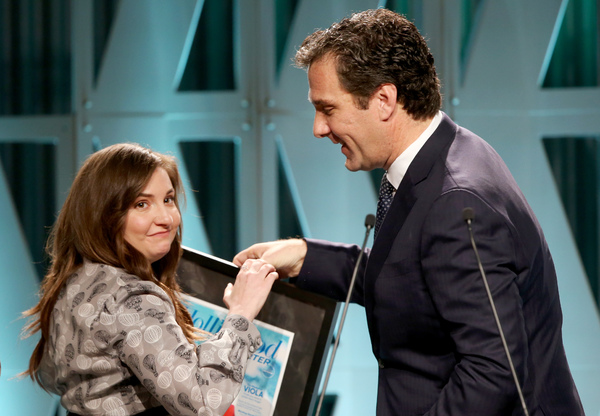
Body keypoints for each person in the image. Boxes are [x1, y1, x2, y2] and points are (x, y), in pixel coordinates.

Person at [233, 8, 585, 416]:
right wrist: (304, 255)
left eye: (327, 109)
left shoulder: (454, 201)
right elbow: (413, 277)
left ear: (384, 100)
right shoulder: (447, 151)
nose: (319, 128)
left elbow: (494, 371)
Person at [22, 143, 278, 416]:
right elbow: (203, 403)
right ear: (104, 215)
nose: (167, 218)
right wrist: (240, 314)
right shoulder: (132, 299)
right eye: (141, 204)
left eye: (168, 199)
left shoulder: (75, 279)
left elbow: (52, 376)